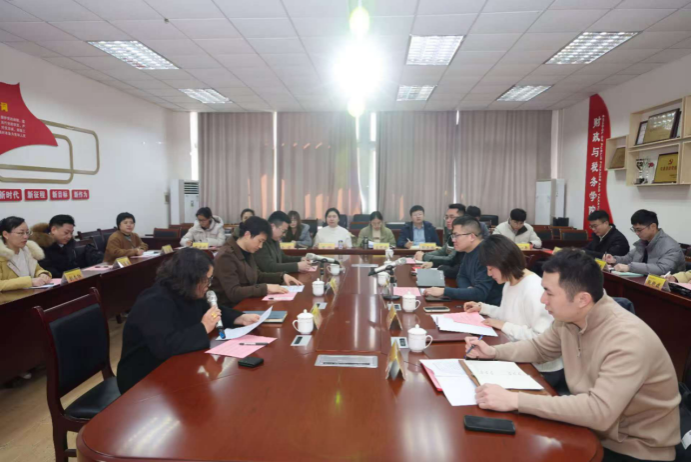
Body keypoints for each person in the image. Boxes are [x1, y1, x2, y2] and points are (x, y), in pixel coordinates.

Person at [466, 250, 681, 462]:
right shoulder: (569, 318)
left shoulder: (627, 339)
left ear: (582, 299)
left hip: (634, 449)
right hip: (590, 430)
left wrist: (514, 400)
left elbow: (598, 411)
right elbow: (540, 348)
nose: (542, 299)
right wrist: (494, 352)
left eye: (549, 293)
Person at [117, 249, 261, 393]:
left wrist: (238, 317)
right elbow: (165, 346)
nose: (209, 285)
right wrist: (204, 327)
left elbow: (209, 309)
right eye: (206, 279)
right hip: (144, 379)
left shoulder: (186, 291)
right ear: (190, 279)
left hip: (174, 366)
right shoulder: (154, 301)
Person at [464, 235, 564, 388]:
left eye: (491, 268)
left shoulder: (534, 289)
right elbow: (509, 314)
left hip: (541, 368)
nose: (489, 274)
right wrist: (483, 308)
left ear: (503, 263)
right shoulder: (510, 282)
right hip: (518, 354)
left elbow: (541, 340)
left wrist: (504, 325)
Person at [211, 217, 302, 308]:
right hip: (230, 309)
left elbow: (257, 276)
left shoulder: (247, 251)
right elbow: (234, 292)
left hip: (247, 303)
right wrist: (265, 288)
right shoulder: (226, 256)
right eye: (260, 241)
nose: (260, 246)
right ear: (247, 235)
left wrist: (281, 276)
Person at [424, 217, 503, 306]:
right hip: (475, 304)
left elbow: (480, 294)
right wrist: (469, 290)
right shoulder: (469, 250)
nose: (453, 240)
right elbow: (461, 276)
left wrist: (444, 291)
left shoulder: (486, 254)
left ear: (471, 237)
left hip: (490, 308)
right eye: (453, 236)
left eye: (456, 236)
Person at [606, 210, 685, 276]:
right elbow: (628, 258)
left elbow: (663, 269)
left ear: (653, 226)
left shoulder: (671, 247)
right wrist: (614, 260)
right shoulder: (643, 242)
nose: (636, 233)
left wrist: (630, 267)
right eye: (634, 230)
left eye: (639, 230)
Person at [30, 214, 103, 278]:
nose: (69, 236)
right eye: (66, 232)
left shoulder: (69, 244)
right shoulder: (39, 247)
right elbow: (47, 270)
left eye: (71, 233)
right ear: (53, 230)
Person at [0, 216, 52, 292]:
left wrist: (42, 274)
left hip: (30, 295)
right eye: (20, 233)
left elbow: (37, 269)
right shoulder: (2, 255)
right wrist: (29, 282)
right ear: (5, 234)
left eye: (27, 232)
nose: (26, 236)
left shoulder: (27, 250)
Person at [415, 204, 465, 270]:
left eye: (452, 217)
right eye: (447, 217)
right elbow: (442, 252)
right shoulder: (451, 235)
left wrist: (424, 257)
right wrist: (423, 254)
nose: (448, 220)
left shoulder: (463, 236)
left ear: (462, 218)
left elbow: (450, 259)